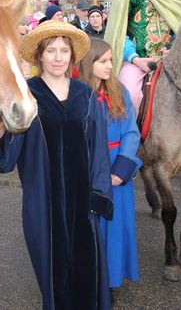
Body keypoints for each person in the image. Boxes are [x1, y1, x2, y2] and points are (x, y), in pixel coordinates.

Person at [0, 21, 113, 310]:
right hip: (44, 203)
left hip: (83, 204)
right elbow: (7, 160)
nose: (58, 57)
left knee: (87, 272)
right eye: (51, 50)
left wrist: (98, 194)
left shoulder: (85, 95)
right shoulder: (27, 94)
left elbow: (99, 150)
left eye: (64, 50)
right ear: (39, 56)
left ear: (72, 55)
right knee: (54, 279)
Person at [78, 38, 142, 292]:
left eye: (111, 61)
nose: (109, 66)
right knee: (90, 229)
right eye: (102, 61)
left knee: (115, 230)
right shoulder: (77, 94)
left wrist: (121, 171)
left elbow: (131, 132)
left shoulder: (120, 91)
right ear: (88, 62)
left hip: (117, 173)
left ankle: (111, 280)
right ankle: (92, 279)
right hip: (90, 171)